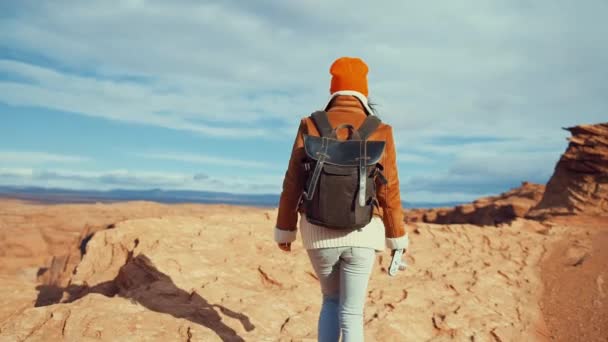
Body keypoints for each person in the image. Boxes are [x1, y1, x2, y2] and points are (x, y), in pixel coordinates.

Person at [274, 56, 411, 342]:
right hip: (362, 232)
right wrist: (396, 237)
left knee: (331, 302)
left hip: (317, 232)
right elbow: (390, 190)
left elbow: (292, 183)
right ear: (363, 91)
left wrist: (284, 230)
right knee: (352, 313)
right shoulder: (381, 129)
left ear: (332, 90)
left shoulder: (310, 124)